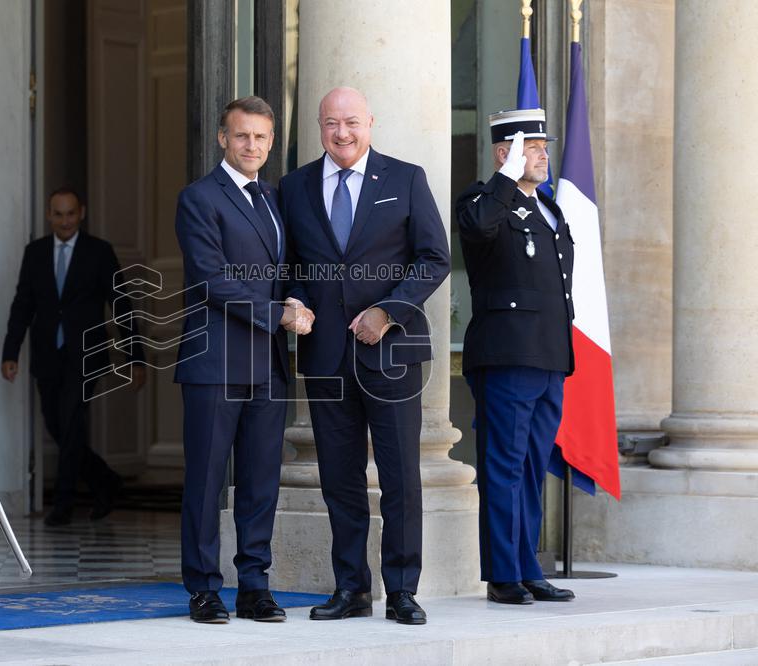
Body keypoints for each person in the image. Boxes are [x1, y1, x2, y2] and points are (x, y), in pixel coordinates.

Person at [279, 87, 449, 625]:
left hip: (392, 355)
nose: (342, 133)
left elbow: (434, 257)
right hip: (326, 356)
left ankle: (400, 590)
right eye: (331, 123)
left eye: (351, 121)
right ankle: (350, 588)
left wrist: (389, 310)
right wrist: (292, 299)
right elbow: (290, 264)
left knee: (400, 474)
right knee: (339, 477)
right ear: (319, 127)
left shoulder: (405, 178)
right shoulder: (294, 186)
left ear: (371, 123)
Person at [174, 96, 313, 624]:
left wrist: (297, 299)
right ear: (222, 140)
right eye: (241, 136)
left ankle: (254, 585)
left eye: (260, 137)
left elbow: (290, 268)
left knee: (260, 482)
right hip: (215, 362)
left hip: (269, 365)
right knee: (207, 481)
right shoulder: (199, 198)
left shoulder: (275, 200)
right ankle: (204, 588)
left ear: (271, 142)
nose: (250, 145)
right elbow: (212, 278)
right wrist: (278, 313)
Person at [455, 108, 576, 605]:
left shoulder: (549, 209)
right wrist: (503, 180)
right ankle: (503, 574)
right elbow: (480, 228)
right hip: (506, 354)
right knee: (503, 464)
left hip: (547, 354)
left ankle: (528, 566)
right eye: (532, 146)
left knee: (530, 466)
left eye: (545, 146)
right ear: (504, 154)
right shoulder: (484, 202)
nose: (543, 154)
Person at [1, 187, 145, 526]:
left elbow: (121, 305)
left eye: (70, 213)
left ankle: (63, 502)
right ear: (49, 215)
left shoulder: (99, 252)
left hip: (87, 354)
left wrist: (135, 357)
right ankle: (105, 481)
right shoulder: (35, 253)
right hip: (47, 353)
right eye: (58, 214)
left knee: (70, 421)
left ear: (81, 213)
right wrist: (11, 352)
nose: (64, 221)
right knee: (56, 423)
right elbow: (23, 304)